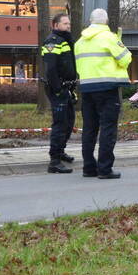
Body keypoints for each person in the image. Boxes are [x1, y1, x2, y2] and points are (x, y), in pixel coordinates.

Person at [74, 8, 131, 179]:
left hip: (87, 88)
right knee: (108, 128)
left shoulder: (80, 42)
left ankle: (88, 167)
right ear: (105, 21)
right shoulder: (109, 38)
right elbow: (126, 58)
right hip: (107, 88)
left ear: (90, 21)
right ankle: (105, 168)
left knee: (89, 129)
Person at [41, 13, 78, 174]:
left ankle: (61, 151)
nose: (68, 26)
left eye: (69, 23)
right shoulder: (52, 41)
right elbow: (51, 69)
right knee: (60, 124)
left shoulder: (66, 41)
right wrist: (58, 89)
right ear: (55, 25)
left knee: (69, 121)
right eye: (65, 24)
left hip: (66, 88)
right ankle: (54, 161)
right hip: (58, 89)